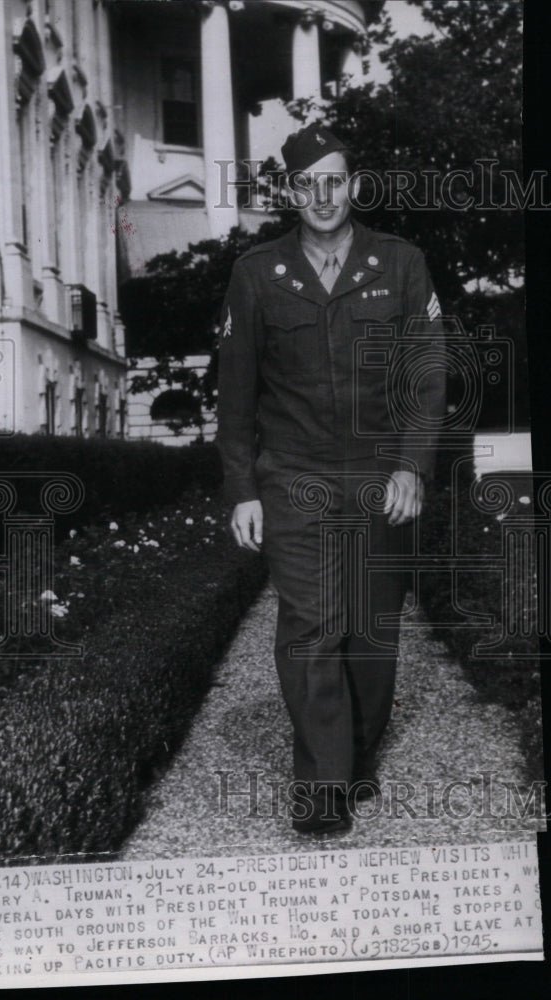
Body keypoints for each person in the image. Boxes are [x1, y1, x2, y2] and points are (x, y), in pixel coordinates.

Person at [217, 123, 446, 834]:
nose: (322, 196)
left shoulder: (401, 263)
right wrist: (244, 489)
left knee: (371, 633)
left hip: (379, 475)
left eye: (335, 180)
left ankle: (356, 754)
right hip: (295, 476)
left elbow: (427, 374)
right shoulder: (258, 273)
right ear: (289, 192)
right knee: (311, 626)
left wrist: (412, 463)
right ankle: (322, 788)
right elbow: (236, 395)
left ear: (354, 186)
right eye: (307, 184)